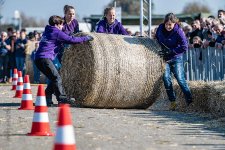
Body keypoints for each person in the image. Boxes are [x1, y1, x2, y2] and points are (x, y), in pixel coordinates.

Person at [34, 15, 93, 106]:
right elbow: (71, 39)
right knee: (56, 78)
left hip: (38, 59)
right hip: (44, 58)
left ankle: (47, 98)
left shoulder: (48, 30)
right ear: (57, 24)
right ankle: (62, 99)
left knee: (54, 78)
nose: (63, 27)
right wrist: (86, 38)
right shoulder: (56, 32)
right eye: (61, 25)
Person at [155, 13, 193, 110]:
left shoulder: (178, 31)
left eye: (170, 24)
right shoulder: (160, 28)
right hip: (165, 59)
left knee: (180, 79)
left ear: (174, 23)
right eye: (166, 24)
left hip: (176, 58)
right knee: (166, 79)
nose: (168, 26)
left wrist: (172, 51)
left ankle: (190, 101)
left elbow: (184, 46)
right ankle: (173, 102)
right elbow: (157, 39)